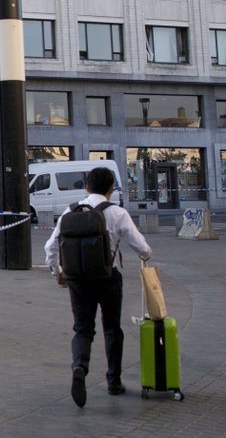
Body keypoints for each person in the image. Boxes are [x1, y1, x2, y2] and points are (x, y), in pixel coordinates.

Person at [44, 167, 152, 408]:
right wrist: (145, 255)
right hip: (108, 277)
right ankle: (114, 381)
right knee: (112, 328)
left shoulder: (70, 212)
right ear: (111, 189)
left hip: (78, 280)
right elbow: (143, 248)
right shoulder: (117, 213)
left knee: (83, 329)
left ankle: (80, 367)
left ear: (86, 187)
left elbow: (50, 248)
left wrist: (57, 272)